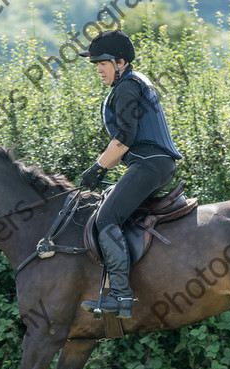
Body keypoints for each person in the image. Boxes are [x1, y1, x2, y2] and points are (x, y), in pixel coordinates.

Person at [77, 29, 183, 319]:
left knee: (107, 217)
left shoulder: (127, 87)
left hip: (149, 164)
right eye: (96, 64)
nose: (98, 70)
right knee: (110, 205)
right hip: (152, 163)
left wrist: (98, 168)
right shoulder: (132, 83)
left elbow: (123, 138)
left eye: (102, 63)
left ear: (120, 62)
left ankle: (121, 294)